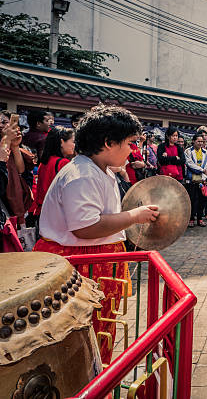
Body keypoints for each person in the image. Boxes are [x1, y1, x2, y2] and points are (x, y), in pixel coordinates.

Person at [33, 105, 159, 364]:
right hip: (81, 261)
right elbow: (85, 227)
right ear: (108, 142)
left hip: (95, 258)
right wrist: (135, 217)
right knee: (82, 334)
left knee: (101, 327)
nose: (132, 150)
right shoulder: (82, 176)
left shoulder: (98, 170)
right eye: (130, 143)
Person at [33, 126, 75, 217]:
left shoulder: (45, 162)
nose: (74, 145)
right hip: (56, 213)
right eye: (73, 142)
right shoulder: (63, 163)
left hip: (42, 211)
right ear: (61, 142)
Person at [185, 133, 207, 227]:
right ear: (193, 141)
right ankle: (191, 218)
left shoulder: (205, 152)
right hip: (192, 179)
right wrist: (202, 170)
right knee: (192, 199)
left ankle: (199, 218)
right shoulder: (188, 151)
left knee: (202, 199)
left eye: (202, 141)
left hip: (202, 179)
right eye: (198, 141)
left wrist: (204, 177)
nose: (200, 143)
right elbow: (190, 164)